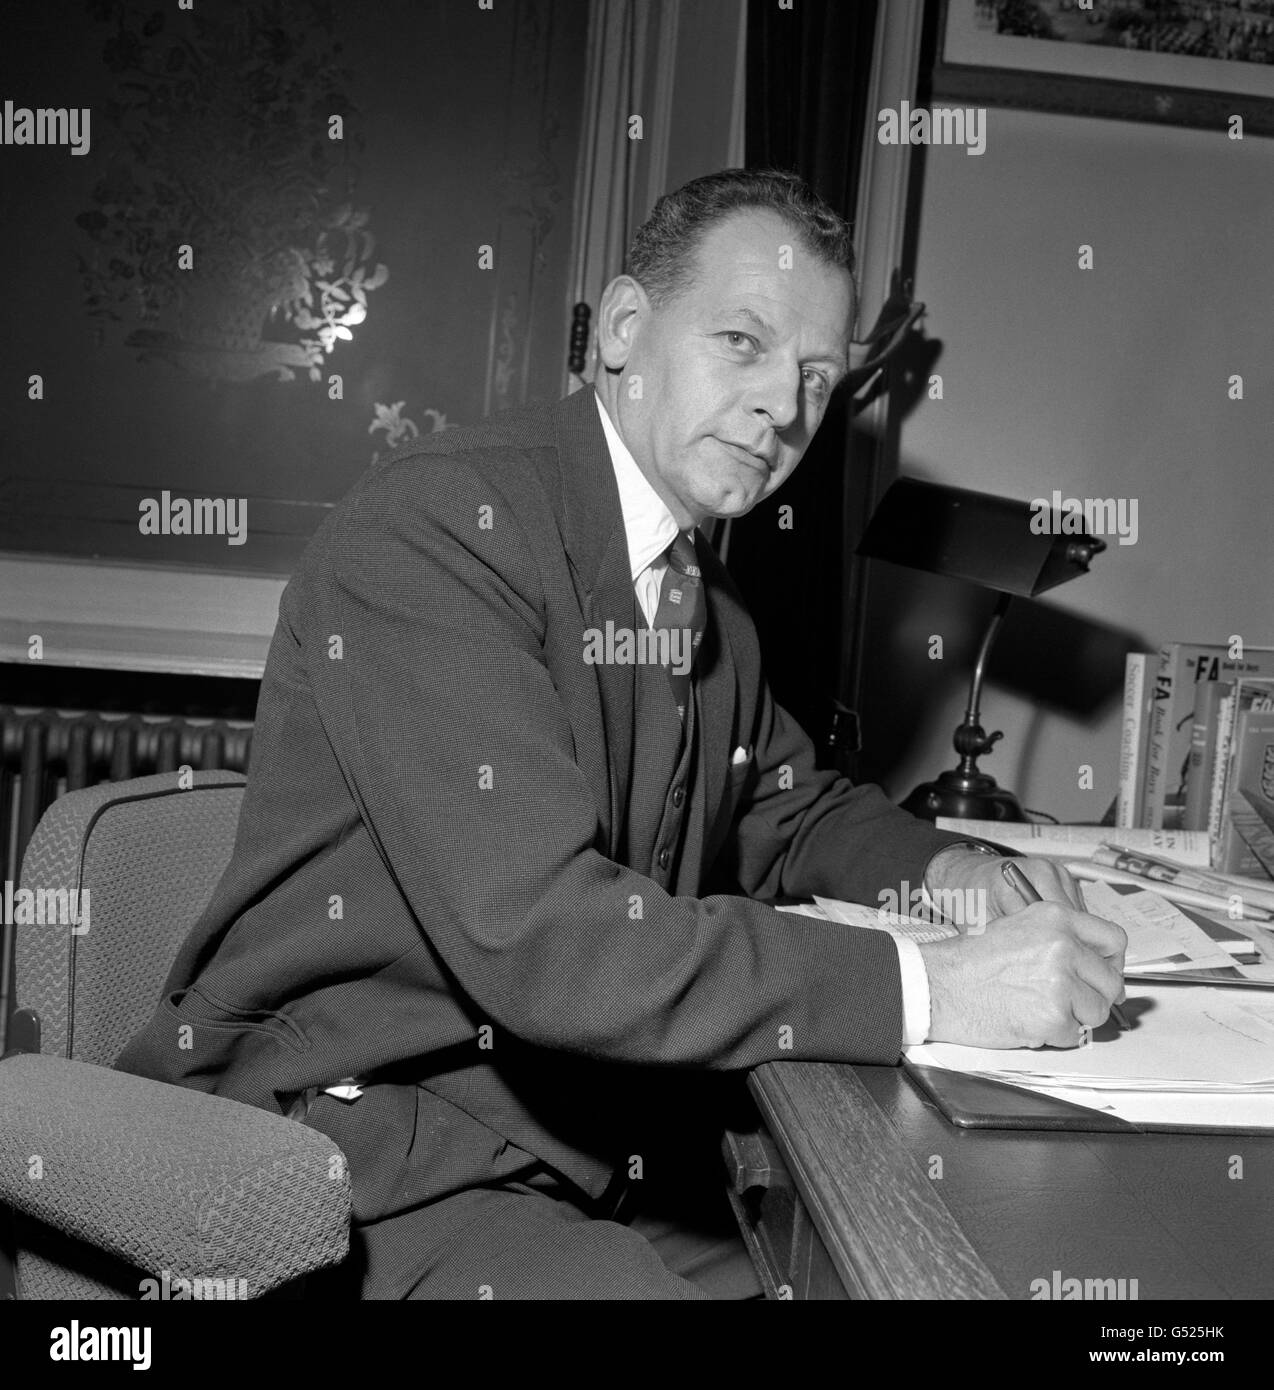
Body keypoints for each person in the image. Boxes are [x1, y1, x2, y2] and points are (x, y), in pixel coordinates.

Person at [116, 168, 1125, 1299]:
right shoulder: (440, 528)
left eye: (815, 379)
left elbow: (792, 813)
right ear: (626, 331)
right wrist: (930, 985)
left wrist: (952, 869)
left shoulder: (707, 609)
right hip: (357, 1155)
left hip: (576, 1138)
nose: (779, 410)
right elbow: (555, 942)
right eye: (740, 341)